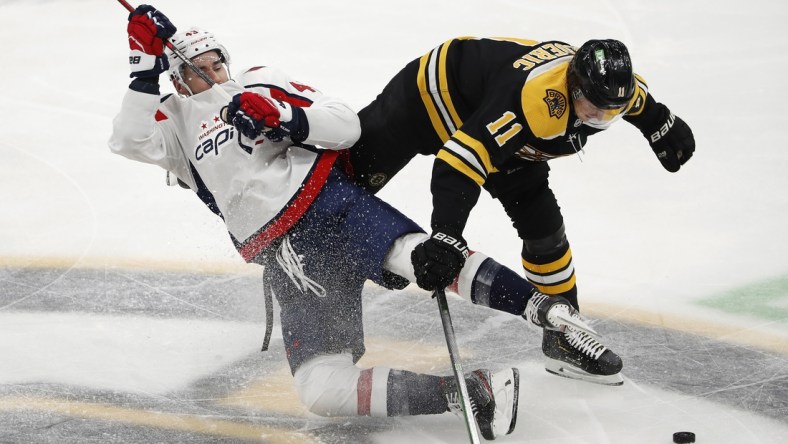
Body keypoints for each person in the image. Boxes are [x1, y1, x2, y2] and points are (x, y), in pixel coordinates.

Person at [109, 6, 620, 439]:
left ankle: (554, 319)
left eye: (215, 62)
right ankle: (468, 392)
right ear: (174, 79)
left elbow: (346, 125)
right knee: (320, 389)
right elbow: (127, 142)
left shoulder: (261, 81)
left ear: (228, 61)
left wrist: (285, 117)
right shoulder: (172, 124)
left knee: (426, 258)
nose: (208, 74)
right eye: (193, 69)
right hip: (287, 259)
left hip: (329, 207)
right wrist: (141, 68)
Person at [347, 37, 696, 385]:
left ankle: (563, 334)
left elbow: (637, 103)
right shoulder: (534, 102)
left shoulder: (610, 90)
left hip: (509, 134)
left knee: (544, 228)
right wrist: (447, 233)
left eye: (610, 113)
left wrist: (660, 122)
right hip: (430, 98)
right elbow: (459, 162)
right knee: (345, 180)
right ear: (573, 86)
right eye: (595, 107)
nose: (599, 118)